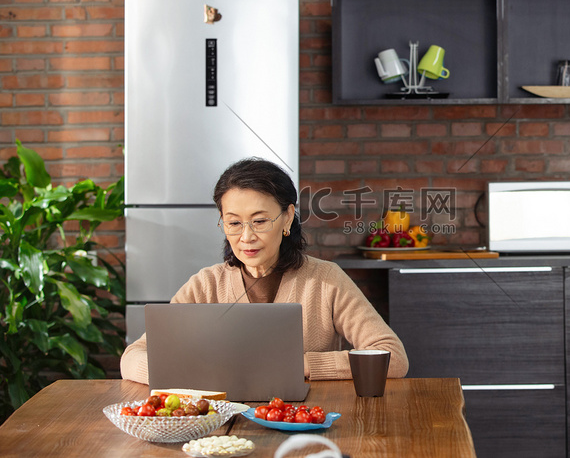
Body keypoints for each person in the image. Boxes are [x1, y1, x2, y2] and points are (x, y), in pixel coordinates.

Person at [120, 158, 409, 383]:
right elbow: (133, 356)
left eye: (259, 221)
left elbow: (392, 357)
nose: (246, 237)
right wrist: (186, 372)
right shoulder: (206, 285)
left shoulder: (325, 280)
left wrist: (302, 365)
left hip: (304, 425)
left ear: (287, 218)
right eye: (233, 223)